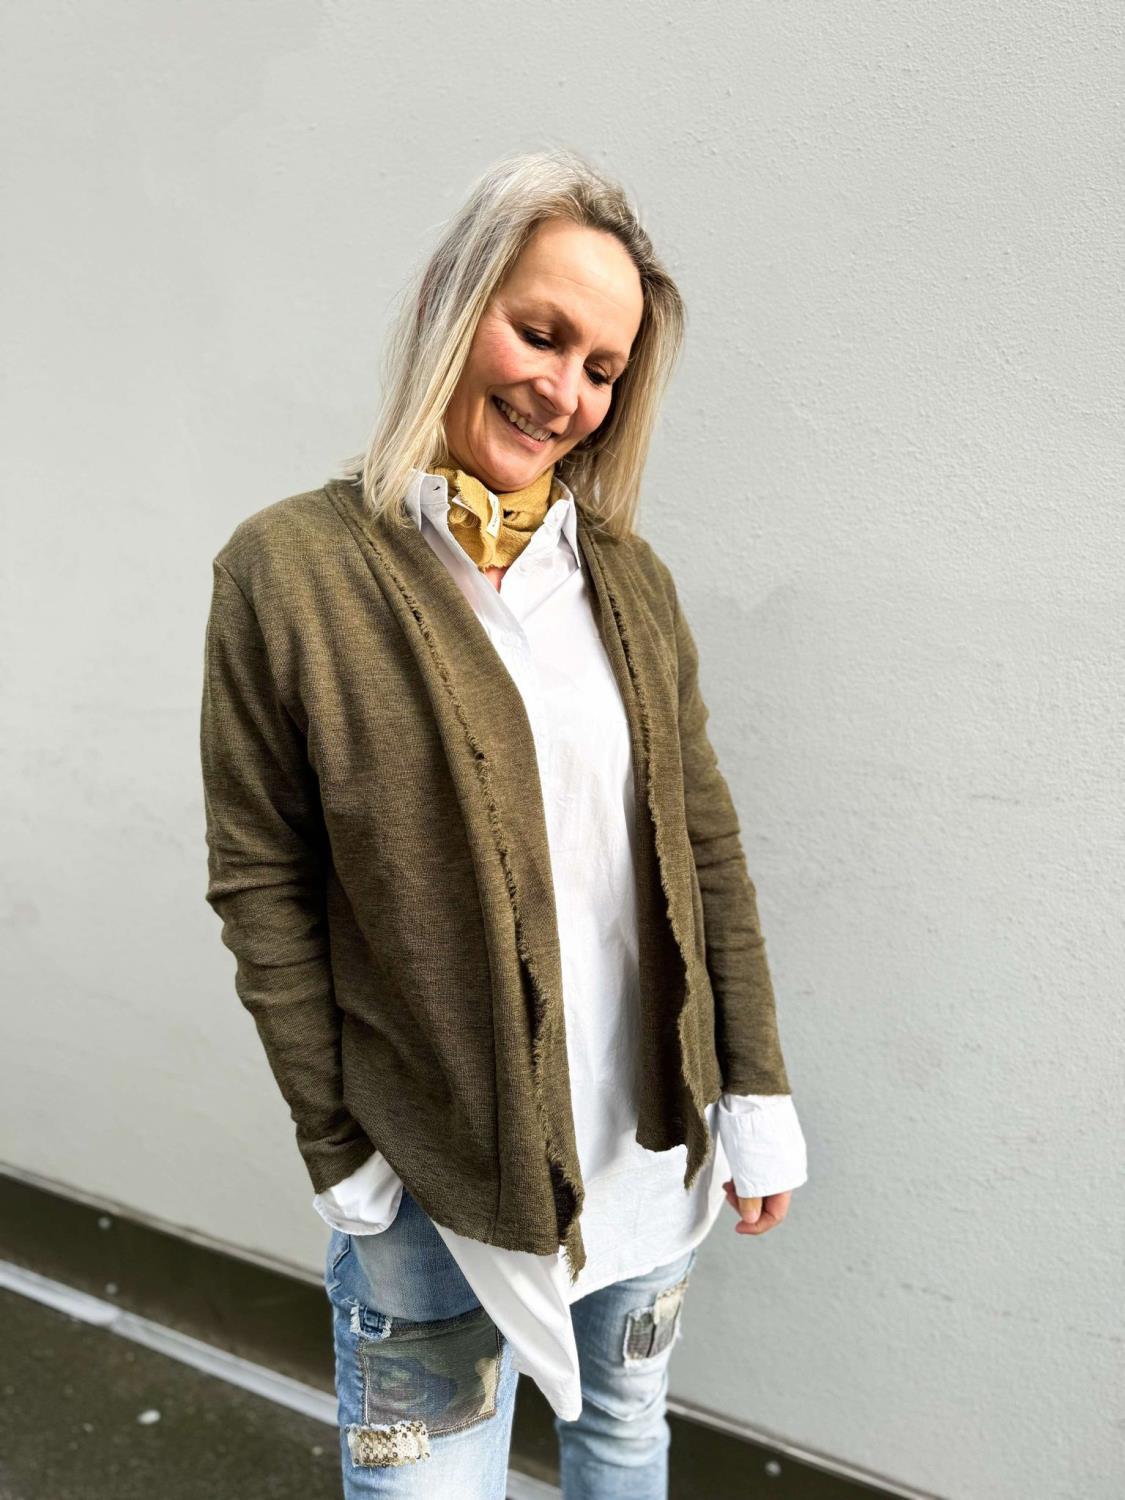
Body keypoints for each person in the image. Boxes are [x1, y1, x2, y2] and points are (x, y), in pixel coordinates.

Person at [200, 147, 808, 1499]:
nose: (564, 391)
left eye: (602, 368)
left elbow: (703, 848)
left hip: (645, 1160)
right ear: (449, 301)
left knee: (624, 1436)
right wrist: (339, 1149)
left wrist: (754, 1089)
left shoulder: (628, 585)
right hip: (427, 1182)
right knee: (416, 1480)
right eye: (539, 334)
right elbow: (261, 879)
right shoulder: (288, 574)